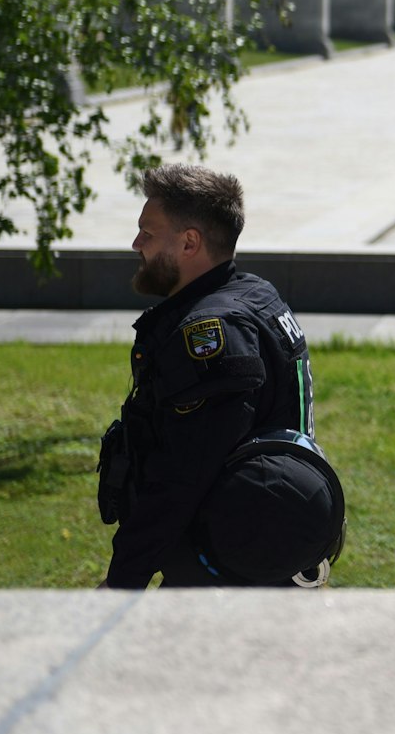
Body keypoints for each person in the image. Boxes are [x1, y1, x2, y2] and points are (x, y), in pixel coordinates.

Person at [98, 166, 342, 589]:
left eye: (147, 233)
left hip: (225, 573)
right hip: (256, 551)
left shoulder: (210, 333)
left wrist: (123, 581)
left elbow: (184, 474)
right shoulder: (256, 294)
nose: (136, 244)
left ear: (190, 242)